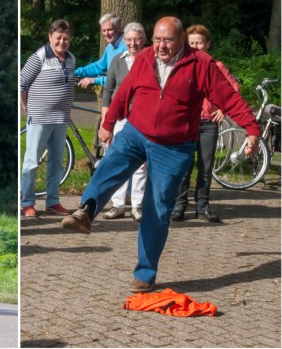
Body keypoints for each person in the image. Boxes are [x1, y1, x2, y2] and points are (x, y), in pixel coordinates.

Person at [60, 17, 260, 293]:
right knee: (110, 166)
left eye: (166, 40)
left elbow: (230, 98)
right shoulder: (144, 58)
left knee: (157, 208)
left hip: (175, 146)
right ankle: (86, 212)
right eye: (156, 39)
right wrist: (107, 124)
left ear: (181, 39)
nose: (160, 46)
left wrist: (251, 128)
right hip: (137, 132)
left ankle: (145, 274)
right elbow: (124, 91)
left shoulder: (200, 65)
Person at [171, 24, 239, 223]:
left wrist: (222, 109)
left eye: (199, 43)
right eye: (192, 43)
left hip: (208, 124)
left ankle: (203, 206)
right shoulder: (180, 65)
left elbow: (232, 89)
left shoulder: (216, 67)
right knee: (183, 166)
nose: (196, 46)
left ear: (207, 44)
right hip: (185, 124)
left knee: (206, 167)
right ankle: (179, 206)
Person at [19, 19, 76, 217]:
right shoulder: (39, 56)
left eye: (66, 38)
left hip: (61, 119)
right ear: (50, 36)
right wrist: (26, 107)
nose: (62, 42)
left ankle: (53, 202)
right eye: (58, 37)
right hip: (40, 118)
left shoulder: (71, 59)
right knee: (32, 161)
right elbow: (21, 82)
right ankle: (27, 203)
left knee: (56, 162)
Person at [100, 22, 148, 221]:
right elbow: (108, 90)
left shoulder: (150, 61)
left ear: (144, 40)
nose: (133, 43)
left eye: (136, 39)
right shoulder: (117, 61)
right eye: (129, 40)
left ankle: (137, 205)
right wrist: (105, 121)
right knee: (117, 160)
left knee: (140, 164)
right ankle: (117, 205)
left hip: (143, 119)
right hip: (120, 118)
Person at [75, 14, 126, 88]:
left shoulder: (128, 46)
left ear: (118, 28)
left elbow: (122, 78)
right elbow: (99, 66)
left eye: (109, 30)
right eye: (104, 30)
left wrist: (95, 80)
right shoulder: (110, 46)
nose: (106, 34)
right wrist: (76, 72)